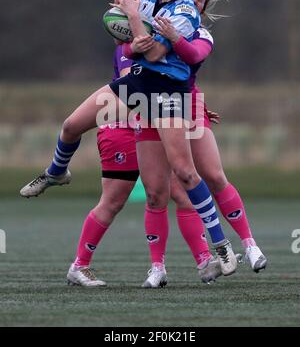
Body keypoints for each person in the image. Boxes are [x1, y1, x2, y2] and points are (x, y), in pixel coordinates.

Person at [20, 0, 251, 281]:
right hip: (137, 84)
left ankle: (220, 244)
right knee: (71, 125)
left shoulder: (185, 11)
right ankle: (56, 172)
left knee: (185, 175)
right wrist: (124, 9)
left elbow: (156, 51)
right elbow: (120, 35)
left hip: (168, 94)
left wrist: (131, 16)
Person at [132, 0, 267, 280]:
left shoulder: (202, 34)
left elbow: (192, 55)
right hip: (148, 104)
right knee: (156, 193)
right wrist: (128, 2)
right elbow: (130, 49)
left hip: (184, 105)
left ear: (202, 9)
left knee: (213, 175)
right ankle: (159, 267)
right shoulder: (153, 23)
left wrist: (173, 36)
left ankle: (249, 244)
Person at [66, 39, 227, 287]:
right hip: (123, 129)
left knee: (182, 194)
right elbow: (138, 89)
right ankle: (79, 265)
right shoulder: (129, 46)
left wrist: (194, 108)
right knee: (114, 201)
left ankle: (204, 262)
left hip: (156, 125)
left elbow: (172, 81)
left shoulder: (158, 38)